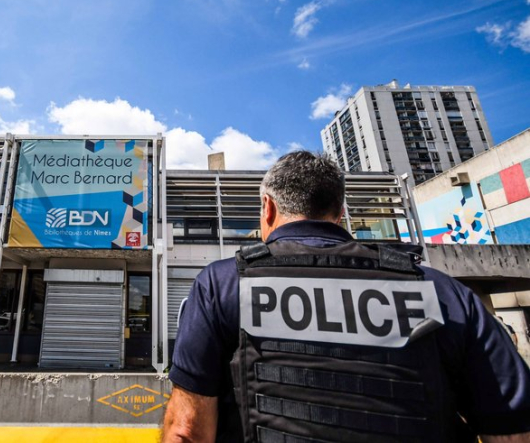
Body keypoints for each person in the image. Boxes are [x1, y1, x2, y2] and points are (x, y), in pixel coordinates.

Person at [162, 151, 530, 443]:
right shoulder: (443, 293)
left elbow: (187, 431)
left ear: (268, 208)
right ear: (340, 214)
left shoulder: (222, 284)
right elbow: (513, 432)